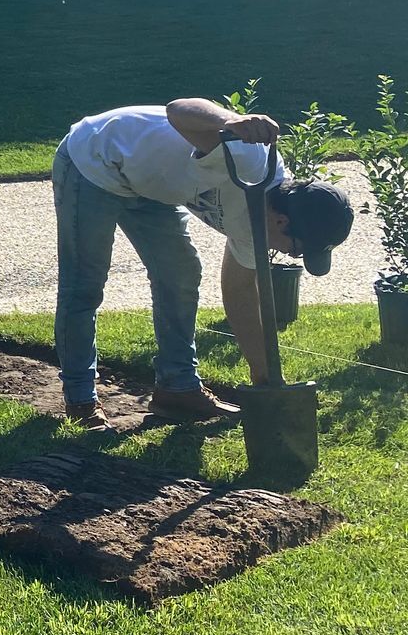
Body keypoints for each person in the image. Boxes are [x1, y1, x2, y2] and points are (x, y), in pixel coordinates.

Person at [54, 98, 355, 430]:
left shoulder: (258, 227)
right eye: (297, 251)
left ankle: (177, 389)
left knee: (180, 275)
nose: (289, 256)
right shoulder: (247, 159)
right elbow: (179, 109)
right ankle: (80, 400)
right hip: (96, 159)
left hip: (148, 186)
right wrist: (232, 121)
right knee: (84, 284)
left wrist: (264, 380)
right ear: (283, 222)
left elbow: (239, 293)